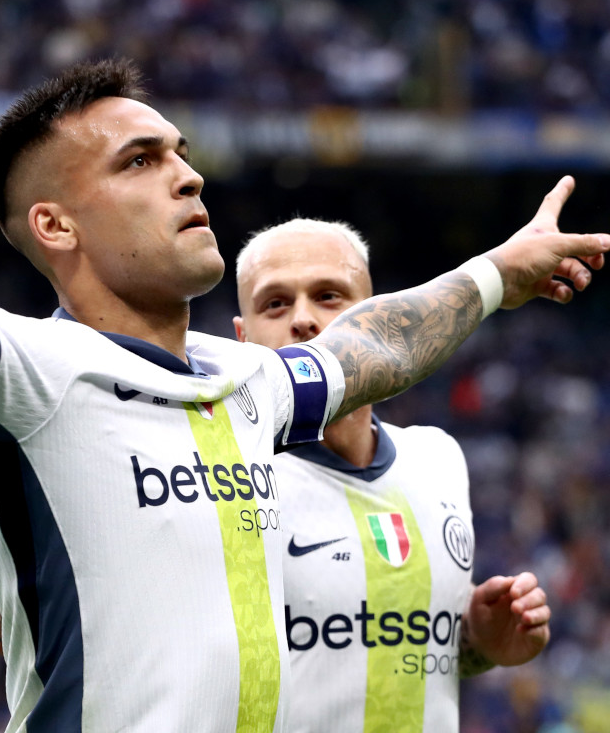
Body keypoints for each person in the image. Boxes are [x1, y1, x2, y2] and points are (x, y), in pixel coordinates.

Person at [0, 0, 610, 732]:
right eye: (139, 161)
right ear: (55, 224)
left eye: (179, 152)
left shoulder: (249, 383)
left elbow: (372, 344)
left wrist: (500, 270)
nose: (188, 174)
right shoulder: (33, 379)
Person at [233, 218, 550, 731]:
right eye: (275, 303)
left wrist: (479, 641)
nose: (304, 319)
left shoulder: (438, 457)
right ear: (242, 338)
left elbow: (425, 650)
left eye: (329, 296)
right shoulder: (223, 483)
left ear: (378, 315)